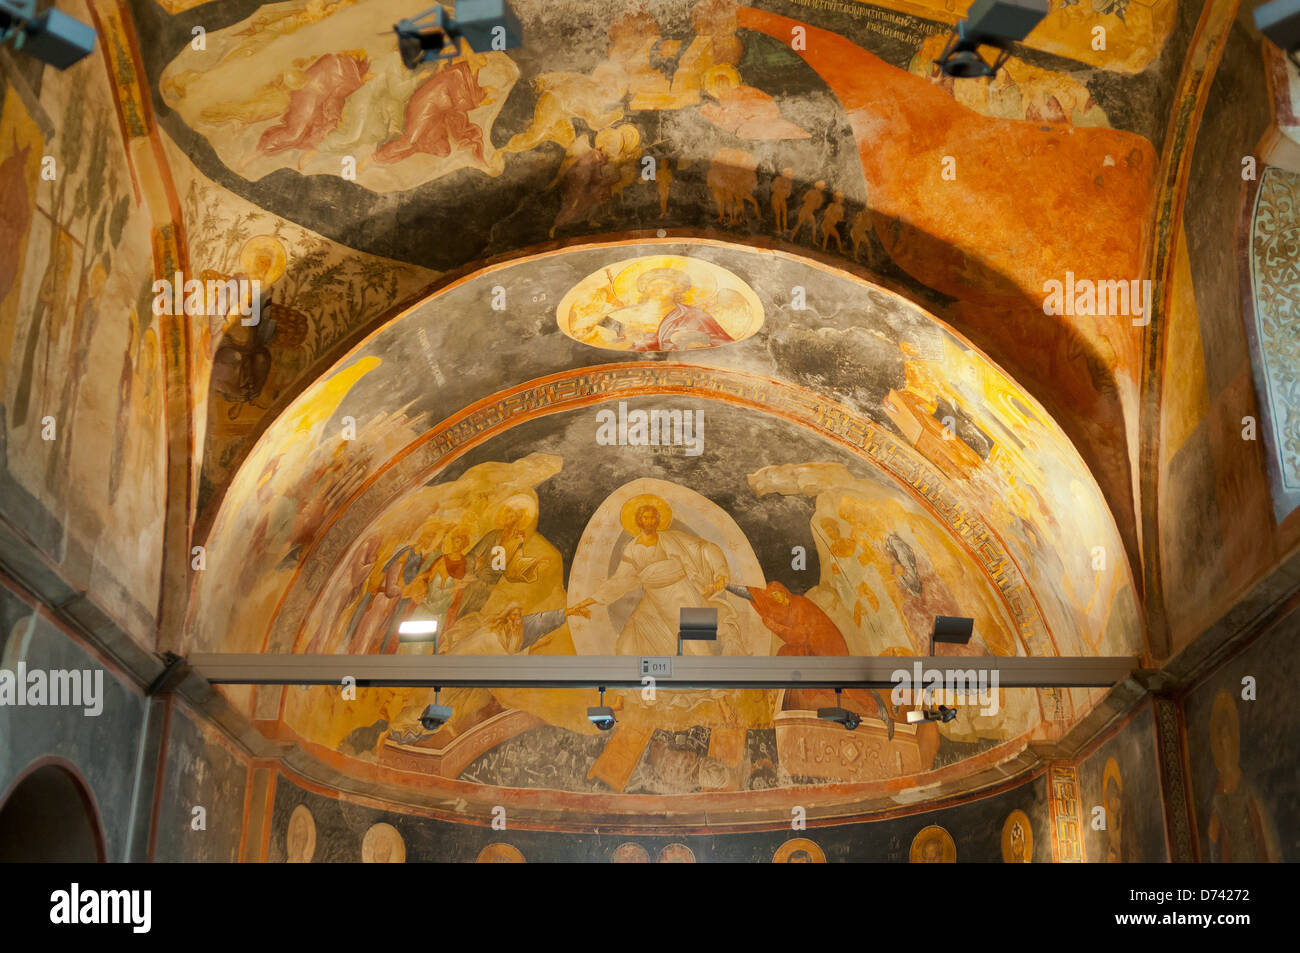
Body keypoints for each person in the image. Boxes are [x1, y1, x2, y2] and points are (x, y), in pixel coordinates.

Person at [576, 494, 739, 656]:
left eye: (653, 518)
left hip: (682, 594)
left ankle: (703, 677)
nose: (650, 521)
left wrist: (720, 573)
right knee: (628, 643)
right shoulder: (632, 549)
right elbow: (619, 581)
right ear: (639, 520)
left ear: (658, 520)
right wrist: (586, 602)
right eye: (646, 518)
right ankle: (634, 678)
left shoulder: (672, 538)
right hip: (653, 598)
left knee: (696, 646)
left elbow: (704, 548)